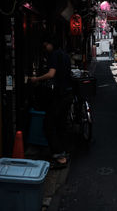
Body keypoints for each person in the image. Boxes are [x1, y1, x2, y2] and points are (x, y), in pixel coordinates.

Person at [30, 37, 72, 169]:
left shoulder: (54, 55)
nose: (45, 46)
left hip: (58, 95)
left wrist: (36, 79)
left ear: (51, 44)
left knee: (48, 125)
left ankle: (60, 157)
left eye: (46, 44)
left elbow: (51, 74)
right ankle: (64, 153)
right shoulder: (65, 55)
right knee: (61, 125)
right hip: (67, 93)